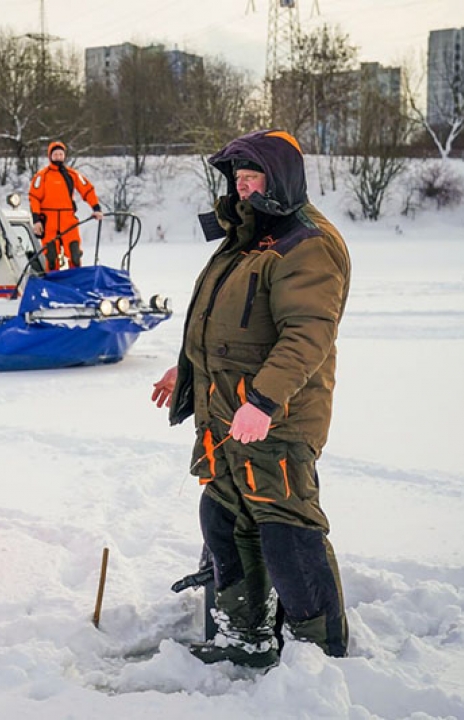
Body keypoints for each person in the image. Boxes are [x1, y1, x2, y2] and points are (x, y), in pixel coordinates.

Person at [152, 129, 351, 667]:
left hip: (274, 420)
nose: (241, 189)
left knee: (287, 531)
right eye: (236, 179)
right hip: (223, 415)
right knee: (222, 518)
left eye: (252, 177)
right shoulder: (247, 237)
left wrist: (262, 402)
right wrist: (187, 367)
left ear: (280, 178)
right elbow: (219, 319)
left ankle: (320, 656)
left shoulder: (306, 243)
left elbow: (306, 333)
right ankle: (243, 637)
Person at [28, 141, 104, 271]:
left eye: (60, 154)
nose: (58, 157)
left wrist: (96, 208)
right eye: (55, 154)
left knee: (75, 254)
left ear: (64, 156)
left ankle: (75, 282)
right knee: (51, 257)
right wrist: (36, 220)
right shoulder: (42, 176)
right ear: (50, 156)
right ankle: (53, 284)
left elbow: (87, 190)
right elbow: (34, 197)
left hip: (68, 220)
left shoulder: (73, 175)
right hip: (49, 221)